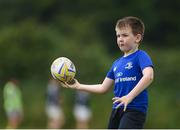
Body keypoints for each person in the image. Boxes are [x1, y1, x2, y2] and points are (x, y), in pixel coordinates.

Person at [60, 16, 154, 129]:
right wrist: (78, 86)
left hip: (134, 110)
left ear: (137, 38)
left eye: (125, 35)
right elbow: (103, 88)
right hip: (117, 110)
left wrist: (129, 97)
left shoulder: (140, 56)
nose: (120, 39)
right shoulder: (116, 63)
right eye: (118, 35)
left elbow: (149, 76)